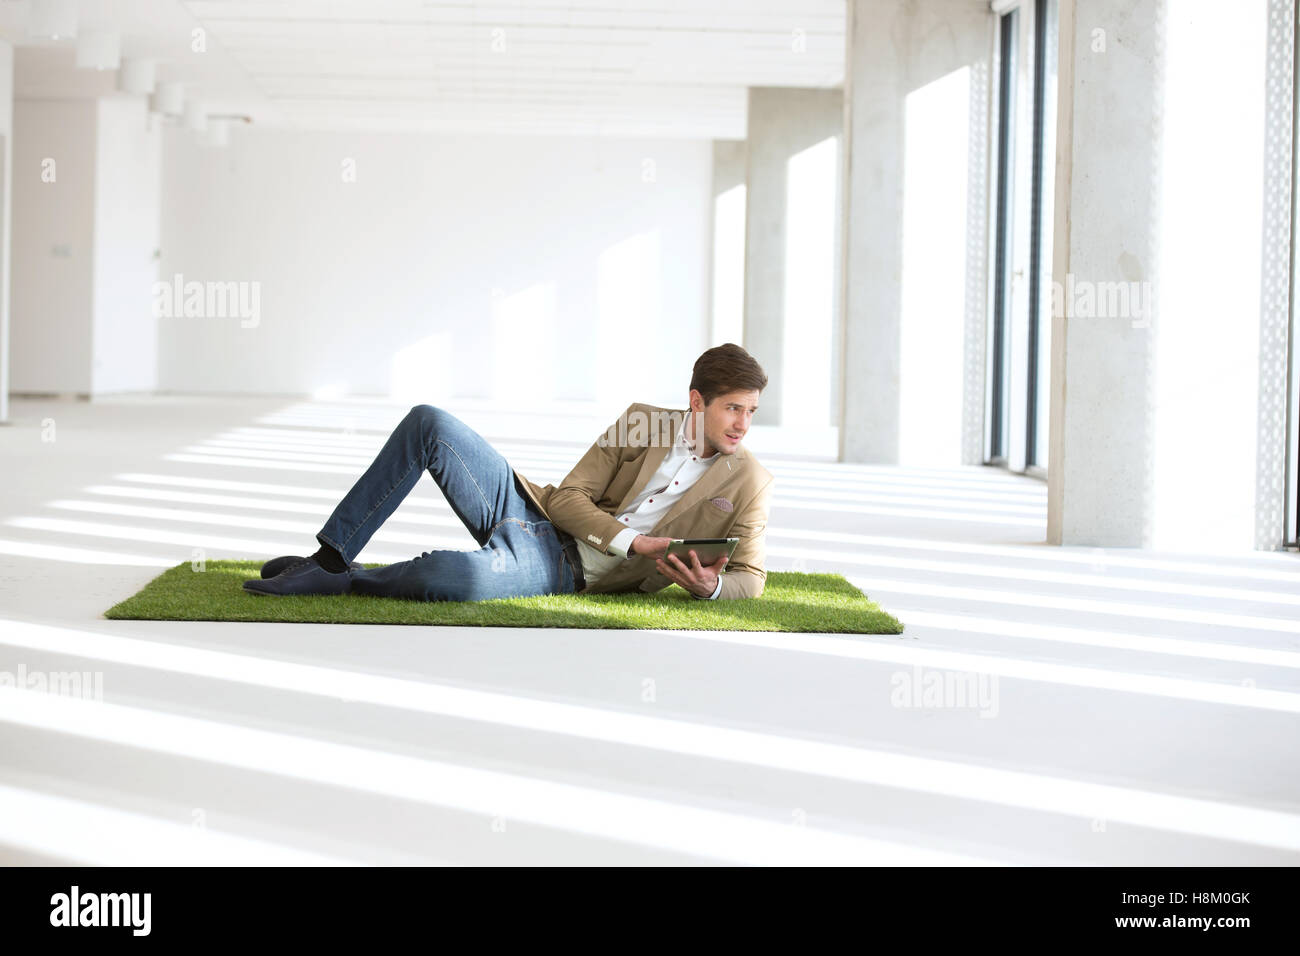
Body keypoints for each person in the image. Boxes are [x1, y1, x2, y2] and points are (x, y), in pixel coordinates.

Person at [243, 343, 774, 602]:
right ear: (697, 401)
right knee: (430, 422)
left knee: (457, 578)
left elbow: (750, 579)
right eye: (733, 409)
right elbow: (569, 498)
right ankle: (330, 558)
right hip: (533, 512)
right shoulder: (643, 423)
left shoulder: (749, 481)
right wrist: (634, 544)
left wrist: (708, 588)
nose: (742, 424)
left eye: (751, 411)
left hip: (569, 571)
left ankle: (349, 582)